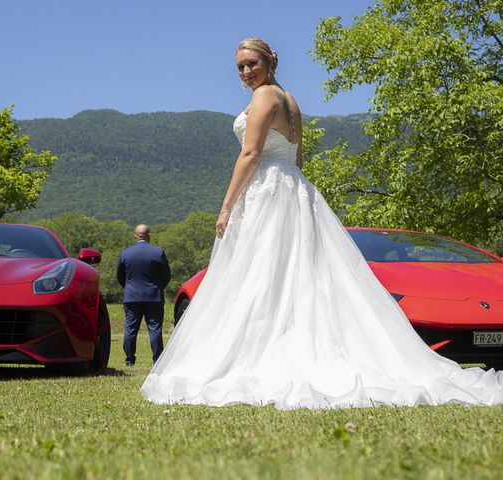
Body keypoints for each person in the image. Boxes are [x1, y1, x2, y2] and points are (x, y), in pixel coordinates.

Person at [141, 38, 503, 409]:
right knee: (294, 278)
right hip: (293, 190)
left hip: (268, 187)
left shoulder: (265, 96)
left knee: (262, 275)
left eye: (252, 63)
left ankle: (256, 357)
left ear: (268, 62)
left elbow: (250, 154)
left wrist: (227, 205)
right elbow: (297, 159)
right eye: (240, 66)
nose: (246, 72)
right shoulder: (291, 99)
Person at [117, 224, 171, 366]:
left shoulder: (125, 253)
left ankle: (129, 360)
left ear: (136, 236)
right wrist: (157, 288)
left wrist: (128, 288)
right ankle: (157, 360)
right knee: (154, 329)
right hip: (154, 296)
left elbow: (119, 276)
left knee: (130, 328)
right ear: (149, 236)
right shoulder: (158, 253)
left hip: (131, 297)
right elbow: (166, 276)